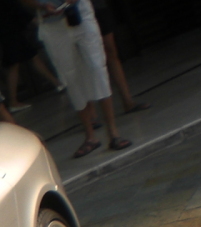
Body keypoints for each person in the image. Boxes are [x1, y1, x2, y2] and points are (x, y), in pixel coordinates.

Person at [26, 0, 130, 158]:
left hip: (80, 14)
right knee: (70, 76)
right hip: (52, 23)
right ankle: (90, 135)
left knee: (96, 68)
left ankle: (113, 132)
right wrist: (41, 5)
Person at [0, 0, 62, 112]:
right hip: (9, 28)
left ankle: (57, 83)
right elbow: (13, 5)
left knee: (29, 56)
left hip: (7, 28)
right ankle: (13, 101)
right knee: (15, 63)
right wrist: (31, 19)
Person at [91, 1, 148, 114]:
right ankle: (91, 114)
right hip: (78, 11)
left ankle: (127, 101)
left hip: (97, 6)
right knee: (90, 60)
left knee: (111, 51)